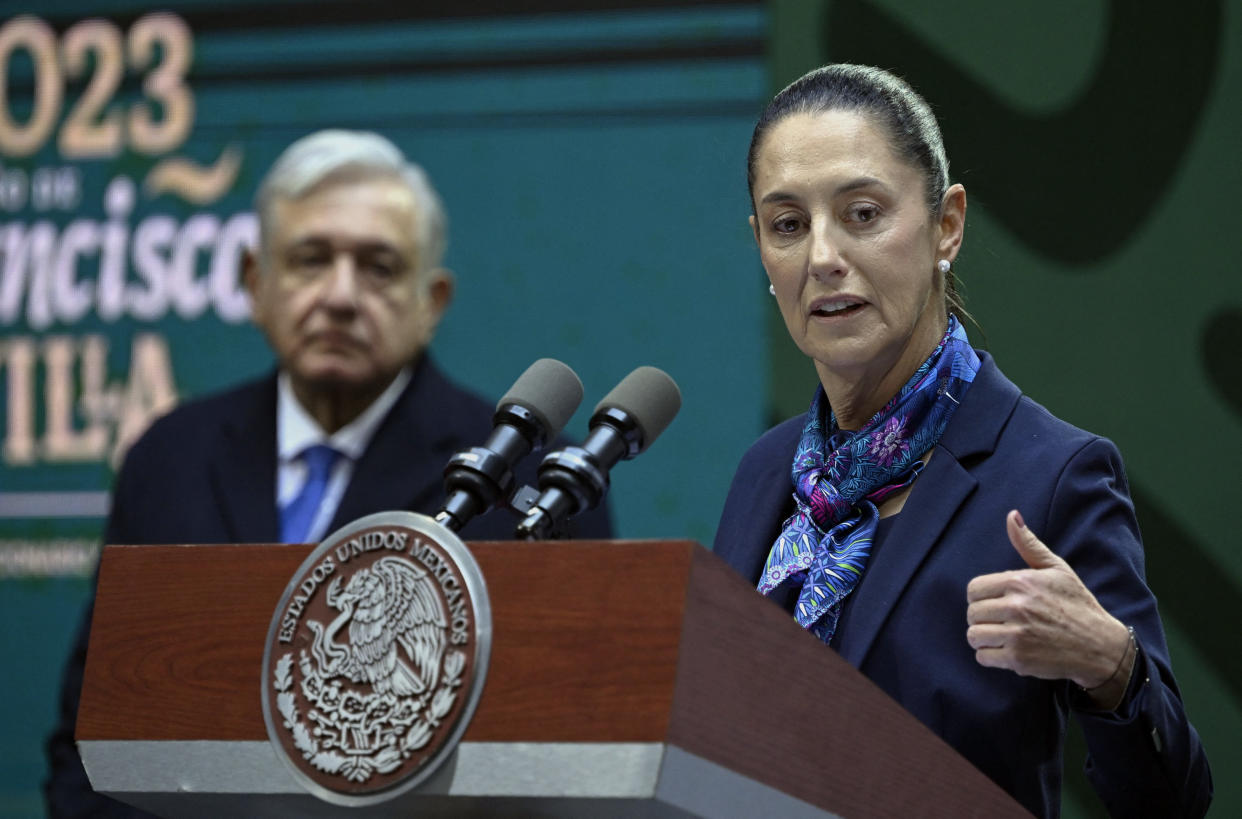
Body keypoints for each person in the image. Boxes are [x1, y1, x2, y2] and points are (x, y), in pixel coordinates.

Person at [44, 129, 612, 816]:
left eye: (378, 267)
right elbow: (92, 740)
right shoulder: (169, 457)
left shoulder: (529, 483)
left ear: (432, 301)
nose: (341, 295)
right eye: (310, 260)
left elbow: (559, 758)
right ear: (256, 284)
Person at [713, 65, 1211, 818]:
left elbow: (1173, 799)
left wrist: (1113, 667)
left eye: (862, 214)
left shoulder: (1053, 473)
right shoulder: (766, 471)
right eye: (789, 225)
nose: (821, 257)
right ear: (761, 248)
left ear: (946, 224)